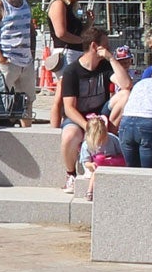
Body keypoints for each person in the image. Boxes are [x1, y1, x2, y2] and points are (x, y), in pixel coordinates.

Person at [55, 29, 128, 193]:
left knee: (125, 95)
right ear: (95, 46)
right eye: (106, 46)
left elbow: (126, 85)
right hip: (78, 117)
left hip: (101, 115)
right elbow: (69, 107)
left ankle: (109, 135)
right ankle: (71, 174)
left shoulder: (105, 65)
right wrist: (87, 126)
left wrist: (111, 58)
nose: (108, 48)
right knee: (69, 136)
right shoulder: (72, 71)